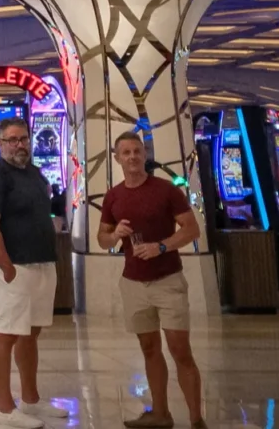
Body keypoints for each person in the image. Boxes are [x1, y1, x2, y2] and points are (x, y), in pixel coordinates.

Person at [98, 132, 205, 429]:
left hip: (167, 279)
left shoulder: (166, 190)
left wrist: (161, 246)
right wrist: (114, 235)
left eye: (137, 151)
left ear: (144, 155)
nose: (132, 157)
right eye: (126, 152)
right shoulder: (113, 196)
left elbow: (191, 230)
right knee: (149, 347)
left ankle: (197, 419)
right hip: (133, 282)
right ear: (117, 158)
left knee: (180, 349)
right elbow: (102, 239)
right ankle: (161, 413)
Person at [0, 117, 70, 428]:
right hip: (13, 266)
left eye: (24, 139)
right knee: (8, 333)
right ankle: (5, 408)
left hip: (41, 262)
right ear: (0, 144)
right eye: (12, 140)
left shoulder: (34, 174)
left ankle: (30, 400)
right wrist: (5, 266)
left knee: (31, 332)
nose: (19, 145)